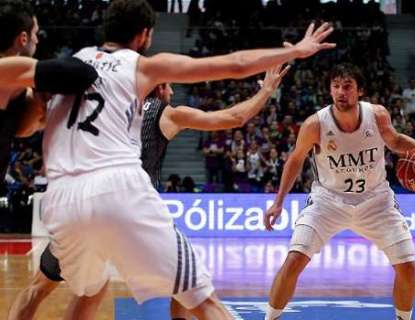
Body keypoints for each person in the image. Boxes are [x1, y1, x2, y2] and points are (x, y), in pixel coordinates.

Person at [26, 0, 335, 319]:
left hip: (62, 200)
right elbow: (235, 70)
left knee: (87, 293)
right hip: (119, 191)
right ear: (144, 35)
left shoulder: (72, 65)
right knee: (202, 298)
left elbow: (30, 122)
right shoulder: (150, 83)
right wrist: (293, 54)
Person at [10, 67, 289, 319]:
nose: (172, 92)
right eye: (169, 87)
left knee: (51, 290)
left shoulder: (102, 106)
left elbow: (32, 126)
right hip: (133, 210)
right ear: (158, 88)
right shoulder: (164, 112)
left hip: (81, 205)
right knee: (190, 285)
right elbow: (233, 117)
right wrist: (266, 90)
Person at [262, 63, 415, 320]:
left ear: (359, 90)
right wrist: (278, 202)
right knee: (294, 260)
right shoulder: (315, 124)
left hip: (376, 202)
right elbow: (295, 160)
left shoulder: (377, 115)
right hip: (328, 202)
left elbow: (394, 140)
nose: (341, 92)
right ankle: (270, 318)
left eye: (347, 86)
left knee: (407, 265)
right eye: (335, 86)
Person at [1, 0, 97, 189]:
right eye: (35, 34)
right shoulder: (7, 69)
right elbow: (83, 74)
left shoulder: (13, 88)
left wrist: (39, 105)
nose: (37, 40)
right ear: (23, 38)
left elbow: (22, 130)